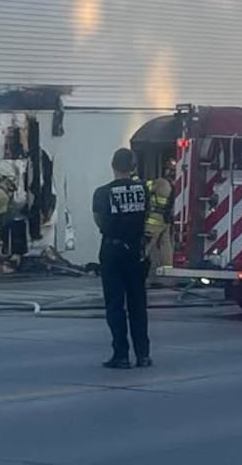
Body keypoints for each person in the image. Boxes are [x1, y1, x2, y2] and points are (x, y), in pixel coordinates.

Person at [92, 148, 152, 369]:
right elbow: (148, 215)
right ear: (133, 166)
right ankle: (143, 354)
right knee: (138, 304)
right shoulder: (143, 190)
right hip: (136, 251)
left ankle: (121, 355)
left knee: (115, 304)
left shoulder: (102, 193)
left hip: (113, 249)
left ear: (113, 165)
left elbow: (98, 220)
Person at [144, 157, 178, 288]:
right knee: (165, 245)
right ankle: (167, 272)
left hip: (154, 220)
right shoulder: (175, 184)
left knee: (149, 246)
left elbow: (145, 187)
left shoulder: (161, 182)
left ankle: (147, 272)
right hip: (166, 220)